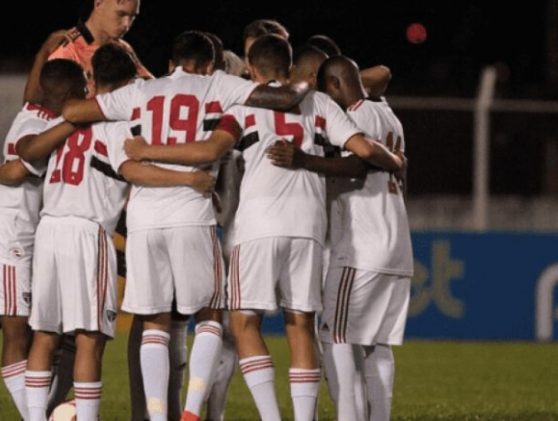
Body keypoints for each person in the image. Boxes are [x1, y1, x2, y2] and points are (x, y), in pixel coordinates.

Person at [123, 34, 405, 421]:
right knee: (301, 324)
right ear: (289, 68)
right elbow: (365, 150)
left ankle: (271, 417)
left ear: (251, 71)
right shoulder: (319, 102)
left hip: (256, 226)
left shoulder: (240, 105)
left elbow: (210, 151)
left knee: (243, 322)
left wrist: (148, 152)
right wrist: (395, 159)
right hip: (307, 225)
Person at [62, 30, 315, 421]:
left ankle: (159, 416)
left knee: (154, 324)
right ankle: (192, 411)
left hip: (144, 218)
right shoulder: (217, 83)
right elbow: (282, 97)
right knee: (211, 315)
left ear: (170, 63)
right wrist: (302, 81)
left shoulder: (143, 91)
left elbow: (74, 113)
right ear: (209, 63)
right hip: (191, 211)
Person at [18, 44, 215, 421]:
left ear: (94, 79)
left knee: (45, 334)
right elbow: (133, 171)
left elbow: (26, 155)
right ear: (128, 83)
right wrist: (188, 179)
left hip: (48, 230)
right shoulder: (118, 125)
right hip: (87, 233)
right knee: (90, 339)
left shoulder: (62, 122)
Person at [0, 58, 75, 421]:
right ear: (68, 94)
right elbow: (26, 154)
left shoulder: (31, 111)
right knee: (17, 336)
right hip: (9, 239)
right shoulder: (41, 123)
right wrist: (16, 168)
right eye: (81, 90)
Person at [317, 55, 412, 421]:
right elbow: (382, 73)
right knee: (377, 344)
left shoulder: (351, 118)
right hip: (396, 243)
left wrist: (302, 161)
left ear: (335, 86)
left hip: (362, 246)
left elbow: (355, 164)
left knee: (334, 336)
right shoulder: (387, 113)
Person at [24, 0, 152, 104]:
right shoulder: (67, 49)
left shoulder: (123, 48)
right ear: (98, 4)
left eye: (132, 17)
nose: (126, 24)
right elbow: (41, 106)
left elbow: (153, 88)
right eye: (121, 14)